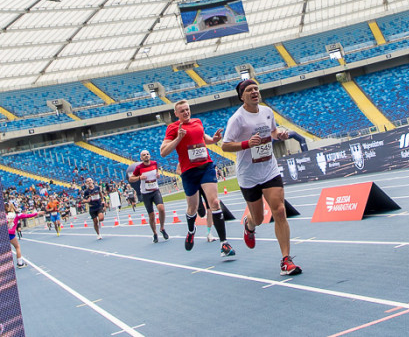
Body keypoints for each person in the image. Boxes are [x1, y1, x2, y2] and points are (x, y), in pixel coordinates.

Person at [221, 79, 302, 276]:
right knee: (258, 218)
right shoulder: (237, 119)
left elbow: (272, 131)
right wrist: (247, 144)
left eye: (256, 88)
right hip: (248, 175)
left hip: (269, 169)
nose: (254, 92)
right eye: (249, 90)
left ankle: (286, 260)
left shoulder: (267, 112)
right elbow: (225, 145)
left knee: (279, 211)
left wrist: (279, 135)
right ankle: (249, 225)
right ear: (242, 96)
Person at [159, 99, 235, 258]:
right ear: (176, 114)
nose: (186, 112)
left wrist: (214, 140)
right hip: (189, 172)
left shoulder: (197, 122)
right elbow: (163, 152)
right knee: (192, 208)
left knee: (214, 202)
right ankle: (191, 230)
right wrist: (178, 138)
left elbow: (203, 138)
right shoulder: (173, 128)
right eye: (182, 111)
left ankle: (224, 243)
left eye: (187, 109)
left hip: (206, 166)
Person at [129, 149, 170, 243]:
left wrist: (157, 175)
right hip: (145, 193)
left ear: (150, 156)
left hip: (155, 190)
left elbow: (156, 173)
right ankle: (155, 233)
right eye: (144, 155)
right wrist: (139, 177)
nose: (146, 156)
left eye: (147, 154)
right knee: (151, 216)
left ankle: (162, 228)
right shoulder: (139, 167)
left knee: (161, 209)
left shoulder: (154, 164)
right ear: (141, 158)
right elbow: (131, 179)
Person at [5, 201, 37, 268]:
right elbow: (27, 215)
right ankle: (20, 263)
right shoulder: (16, 214)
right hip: (11, 234)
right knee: (17, 247)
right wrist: (37, 213)